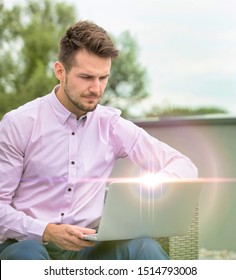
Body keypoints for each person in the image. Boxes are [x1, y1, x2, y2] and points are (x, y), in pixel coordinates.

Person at [0, 20, 198, 260]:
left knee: (143, 247)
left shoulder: (112, 126)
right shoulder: (19, 124)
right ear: (60, 71)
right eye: (86, 77)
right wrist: (47, 231)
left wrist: (148, 188)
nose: (96, 88)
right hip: (28, 244)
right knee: (27, 255)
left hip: (89, 248)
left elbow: (183, 165)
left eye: (103, 78)